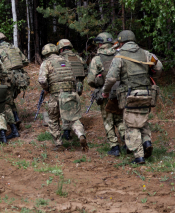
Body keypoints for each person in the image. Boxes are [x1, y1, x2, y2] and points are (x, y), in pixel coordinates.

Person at [102, 30, 163, 164]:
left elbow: (111, 78)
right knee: (143, 120)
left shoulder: (119, 57)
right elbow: (159, 66)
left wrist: (105, 91)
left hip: (130, 95)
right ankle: (147, 142)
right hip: (147, 93)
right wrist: (152, 77)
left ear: (121, 42)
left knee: (131, 125)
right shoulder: (146, 54)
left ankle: (139, 156)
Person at [38, 43, 88, 152]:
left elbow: (42, 80)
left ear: (45, 53)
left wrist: (47, 88)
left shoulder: (46, 63)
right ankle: (81, 135)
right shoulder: (66, 61)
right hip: (70, 93)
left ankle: (59, 144)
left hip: (56, 95)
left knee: (53, 120)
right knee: (73, 118)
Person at [87, 32, 126, 156]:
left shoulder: (97, 59)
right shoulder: (119, 56)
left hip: (105, 94)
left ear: (100, 44)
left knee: (108, 120)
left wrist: (99, 81)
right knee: (120, 119)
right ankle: (128, 143)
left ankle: (114, 147)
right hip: (120, 93)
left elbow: (90, 80)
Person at [0, 32, 30, 137]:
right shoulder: (15, 49)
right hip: (20, 78)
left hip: (9, 78)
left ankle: (14, 130)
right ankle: (16, 119)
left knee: (5, 103)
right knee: (10, 99)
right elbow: (26, 62)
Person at [57, 39, 88, 140]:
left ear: (61, 49)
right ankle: (78, 128)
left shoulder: (60, 58)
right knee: (74, 106)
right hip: (78, 86)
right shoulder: (78, 57)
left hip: (65, 86)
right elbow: (86, 70)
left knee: (64, 106)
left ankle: (66, 131)